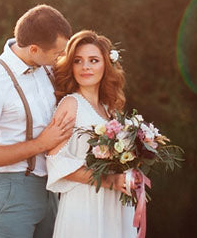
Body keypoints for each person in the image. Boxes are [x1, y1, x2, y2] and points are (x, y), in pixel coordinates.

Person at [0, 4, 76, 238]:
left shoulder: (46, 69)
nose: (62, 58)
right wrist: (41, 144)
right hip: (11, 191)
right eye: (58, 53)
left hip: (49, 188)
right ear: (34, 49)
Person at [46, 30, 136, 237]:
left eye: (93, 60)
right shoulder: (70, 104)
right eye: (78, 61)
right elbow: (56, 160)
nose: (85, 67)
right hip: (84, 203)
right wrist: (110, 180)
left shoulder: (110, 108)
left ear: (106, 65)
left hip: (113, 202)